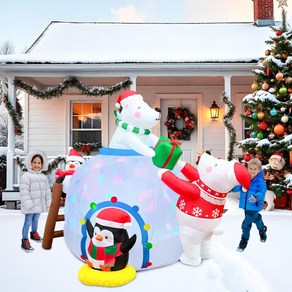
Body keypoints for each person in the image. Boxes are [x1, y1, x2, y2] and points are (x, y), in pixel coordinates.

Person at [232, 158, 267, 252]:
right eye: (250, 168)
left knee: (246, 225)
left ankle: (243, 243)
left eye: (255, 169)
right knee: (256, 219)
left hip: (254, 206)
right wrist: (230, 188)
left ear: (259, 170)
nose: (252, 170)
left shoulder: (261, 181)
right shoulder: (245, 179)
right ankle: (262, 229)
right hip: (246, 206)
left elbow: (262, 192)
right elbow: (238, 187)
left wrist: (257, 197)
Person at [20, 150, 51, 252]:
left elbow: (47, 191)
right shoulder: (26, 176)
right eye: (34, 162)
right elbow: (24, 191)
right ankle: (24, 240)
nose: (36, 165)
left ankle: (34, 233)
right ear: (30, 163)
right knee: (28, 221)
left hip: (39, 204)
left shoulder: (43, 177)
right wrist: (28, 204)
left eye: (39, 163)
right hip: (30, 205)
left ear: (42, 164)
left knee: (36, 219)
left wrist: (48, 202)